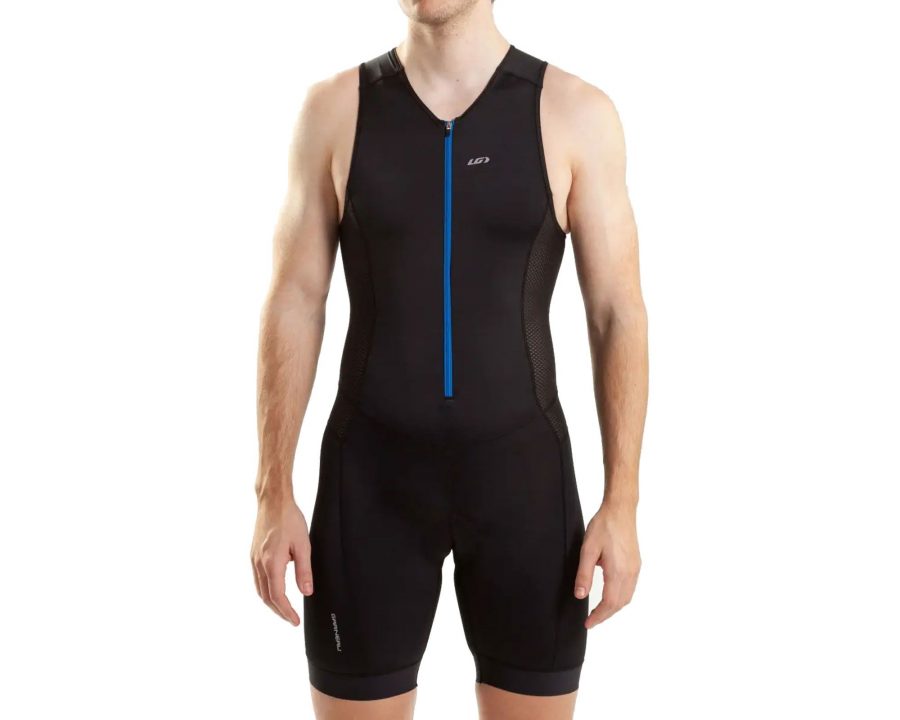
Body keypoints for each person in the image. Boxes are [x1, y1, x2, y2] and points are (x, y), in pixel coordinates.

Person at [250, 1, 648, 717]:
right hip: (369, 490)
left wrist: (623, 503)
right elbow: (295, 300)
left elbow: (616, 311)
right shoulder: (334, 111)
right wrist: (271, 490)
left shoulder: (575, 113)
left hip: (524, 489)